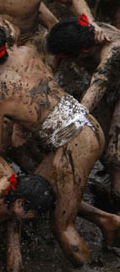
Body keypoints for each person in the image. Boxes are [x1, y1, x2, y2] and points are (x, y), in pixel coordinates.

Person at [0, 21, 106, 266]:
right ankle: (109, 223)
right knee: (39, 189)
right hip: (88, 123)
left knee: (61, 225)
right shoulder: (26, 52)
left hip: (74, 146)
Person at [47, 16, 120, 204]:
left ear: (85, 51)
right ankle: (113, 187)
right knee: (102, 143)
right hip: (109, 87)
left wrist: (64, 127)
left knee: (114, 153)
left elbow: (96, 89)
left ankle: (117, 199)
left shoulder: (112, 50)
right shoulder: (75, 34)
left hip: (109, 84)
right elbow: (47, 73)